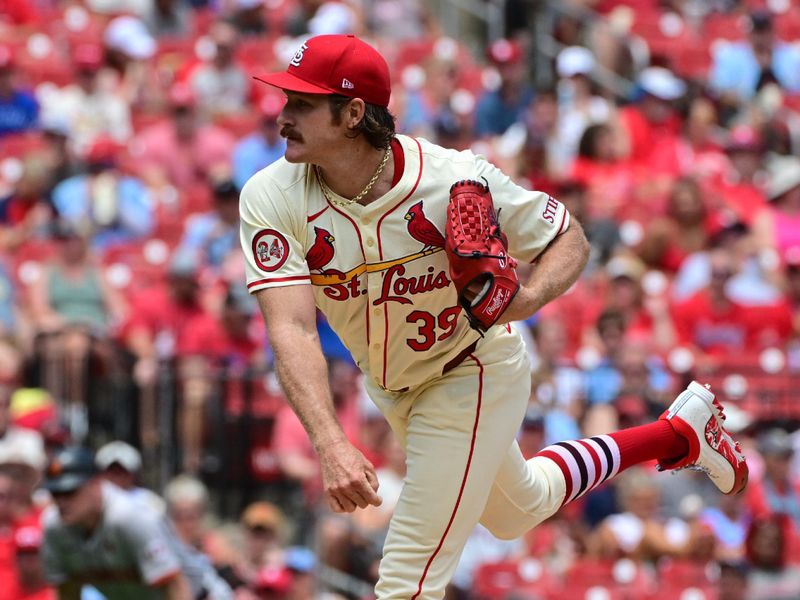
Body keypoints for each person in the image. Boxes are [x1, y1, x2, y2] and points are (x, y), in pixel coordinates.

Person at [238, 34, 748, 598]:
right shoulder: (272, 195)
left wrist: (527, 301)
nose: (283, 115)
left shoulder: (451, 178)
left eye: (302, 104)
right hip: (393, 385)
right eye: (287, 99)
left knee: (406, 581)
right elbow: (290, 328)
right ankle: (676, 433)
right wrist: (331, 442)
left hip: (470, 370)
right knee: (517, 509)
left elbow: (568, 239)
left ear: (353, 113)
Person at [40, 446, 193, 599]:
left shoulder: (127, 516)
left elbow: (175, 586)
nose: (61, 502)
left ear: (96, 484)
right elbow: (68, 592)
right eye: (56, 493)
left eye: (70, 492)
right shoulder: (55, 527)